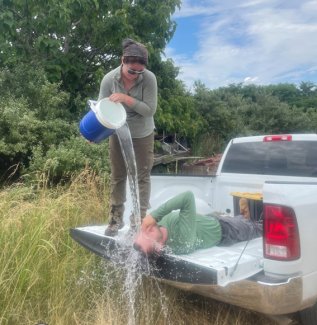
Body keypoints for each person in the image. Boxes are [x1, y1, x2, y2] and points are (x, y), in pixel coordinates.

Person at [98, 38, 157, 236]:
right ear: (122, 60)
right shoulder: (109, 80)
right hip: (117, 132)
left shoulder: (149, 79)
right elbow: (102, 112)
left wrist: (125, 98)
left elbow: (149, 110)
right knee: (117, 177)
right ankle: (115, 220)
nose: (134, 76)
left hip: (143, 134)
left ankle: (137, 222)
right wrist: (95, 135)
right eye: (131, 71)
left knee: (142, 176)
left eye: (139, 72)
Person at [134, 191, 262, 255]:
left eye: (143, 231)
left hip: (211, 219)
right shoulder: (182, 242)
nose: (147, 229)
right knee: (259, 228)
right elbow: (187, 196)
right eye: (148, 235)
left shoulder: (158, 227)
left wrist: (151, 220)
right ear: (159, 247)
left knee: (237, 219)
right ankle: (250, 220)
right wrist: (154, 215)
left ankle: (243, 216)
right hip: (228, 232)